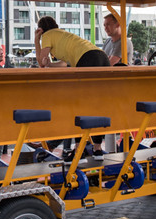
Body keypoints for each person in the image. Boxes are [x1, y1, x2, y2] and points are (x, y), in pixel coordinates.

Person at [35, 16, 110, 160]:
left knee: (80, 106)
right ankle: (97, 149)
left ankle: (79, 150)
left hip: (87, 59)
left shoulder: (47, 35)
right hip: (101, 57)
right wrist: (50, 64)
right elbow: (64, 64)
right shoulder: (63, 35)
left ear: (41, 29)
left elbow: (41, 63)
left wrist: (36, 40)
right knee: (97, 105)